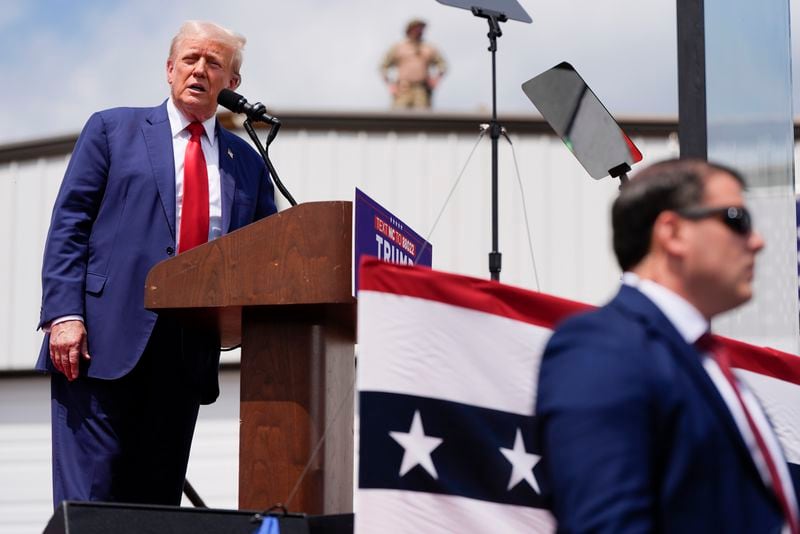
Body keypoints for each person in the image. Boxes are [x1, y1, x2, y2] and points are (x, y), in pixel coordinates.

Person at [37, 20, 277, 507]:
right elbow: (69, 225)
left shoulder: (247, 162)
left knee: (154, 506)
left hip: (185, 355)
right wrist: (65, 315)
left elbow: (265, 252)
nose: (199, 70)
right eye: (190, 59)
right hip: (98, 344)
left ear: (232, 84)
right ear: (169, 69)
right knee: (91, 501)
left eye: (214, 63)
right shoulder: (111, 128)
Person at [535, 159, 799, 532]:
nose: (757, 241)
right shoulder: (602, 348)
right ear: (672, 232)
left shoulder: (702, 360)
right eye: (737, 220)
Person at [380, 18, 447, 109]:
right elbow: (383, 67)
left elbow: (442, 65)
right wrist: (391, 85)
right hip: (403, 90)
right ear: (410, 30)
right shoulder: (398, 47)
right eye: (417, 28)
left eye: (421, 29)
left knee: (421, 119)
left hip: (421, 90)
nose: (420, 31)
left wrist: (436, 80)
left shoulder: (429, 48)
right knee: (399, 118)